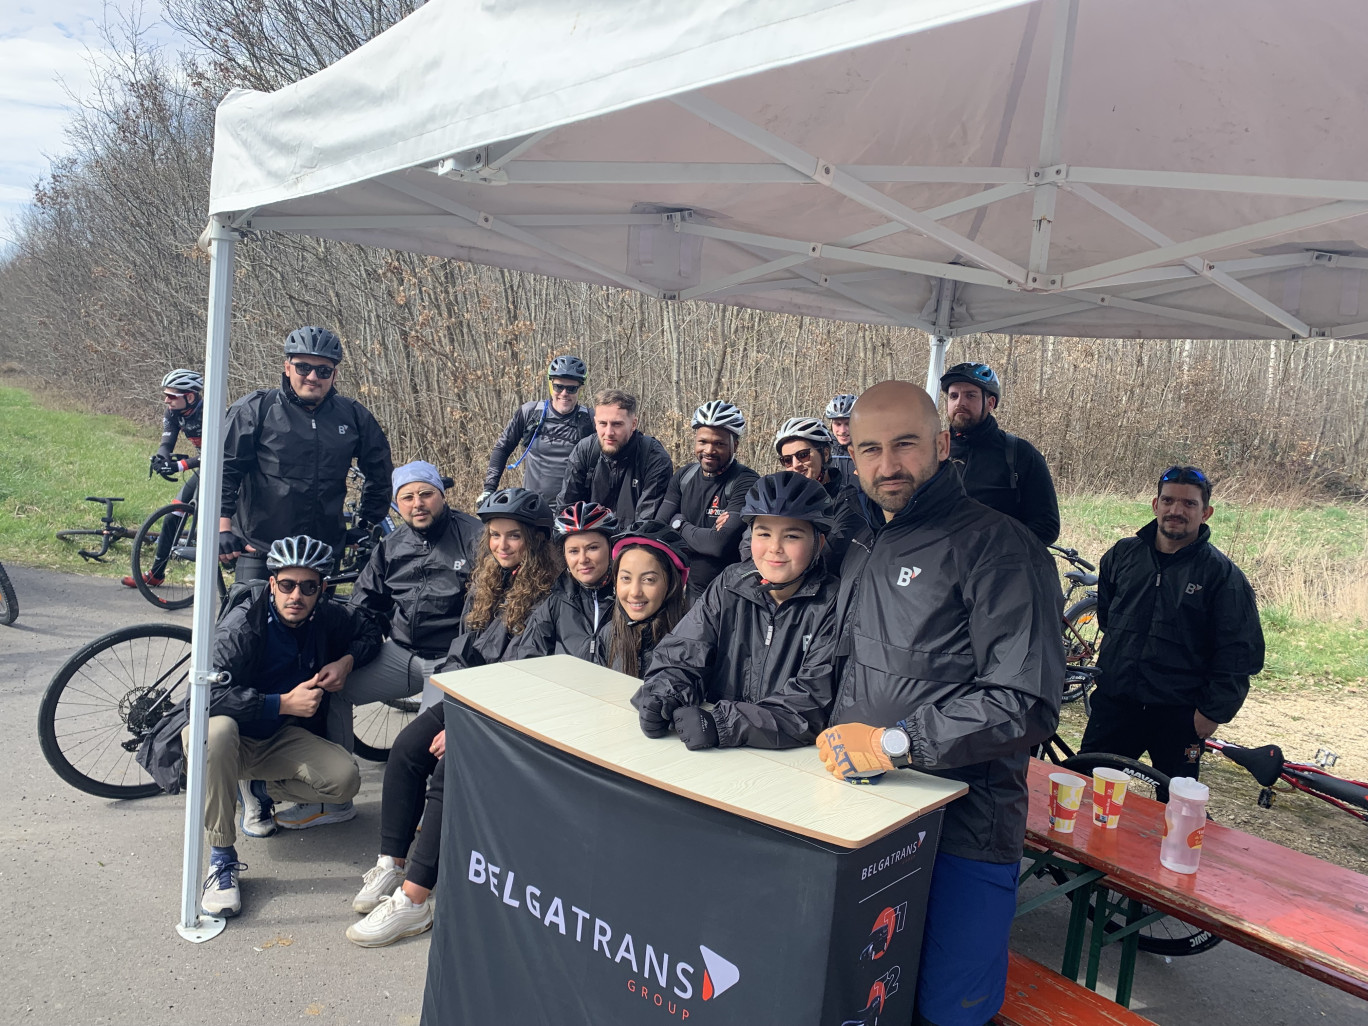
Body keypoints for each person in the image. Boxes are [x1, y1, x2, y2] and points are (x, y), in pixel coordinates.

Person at [810, 381, 1064, 1026]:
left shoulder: (1000, 546)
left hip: (965, 832)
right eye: (870, 448)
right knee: (865, 995)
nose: (887, 465)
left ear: (943, 444)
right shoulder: (867, 540)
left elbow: (1024, 702)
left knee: (950, 1009)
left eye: (905, 445)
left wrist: (897, 744)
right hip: (866, 818)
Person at [345, 486, 559, 947]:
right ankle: (391, 863)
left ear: (536, 541)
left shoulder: (549, 594)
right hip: (473, 699)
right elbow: (464, 650)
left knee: (447, 768)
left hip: (512, 712)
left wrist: (465, 724)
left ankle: (414, 900)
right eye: (495, 536)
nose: (501, 545)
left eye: (514, 537)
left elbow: (526, 673)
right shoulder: (488, 580)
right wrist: (455, 703)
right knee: (406, 748)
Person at [136, 535, 381, 919]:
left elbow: (370, 632)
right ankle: (222, 859)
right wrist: (280, 703)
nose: (295, 595)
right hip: (228, 732)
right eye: (286, 585)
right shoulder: (242, 625)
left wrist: (347, 661)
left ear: (322, 590)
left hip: (278, 737)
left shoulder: (326, 616)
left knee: (344, 780)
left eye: (308, 586)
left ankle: (256, 788)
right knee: (216, 734)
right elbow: (204, 696)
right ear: (272, 584)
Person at [1079, 465, 1264, 792]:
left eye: (1189, 504)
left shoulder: (1222, 576)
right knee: (1090, 793)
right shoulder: (1122, 555)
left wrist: (1211, 712)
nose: (1176, 511)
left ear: (1206, 512)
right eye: (1168, 501)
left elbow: (1240, 653)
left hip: (1180, 715)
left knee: (1176, 806)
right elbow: (1108, 618)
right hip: (1116, 704)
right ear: (1155, 505)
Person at [632, 472, 840, 750]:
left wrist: (723, 723)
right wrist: (663, 693)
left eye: (792, 536)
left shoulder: (833, 604)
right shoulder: (730, 585)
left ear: (819, 543)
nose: (774, 549)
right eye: (763, 533)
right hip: (722, 758)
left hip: (790, 764)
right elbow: (683, 651)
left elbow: (811, 703)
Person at [327, 461, 483, 752]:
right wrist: (347, 658)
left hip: (452, 659)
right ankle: (333, 795)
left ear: (441, 495)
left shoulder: (475, 537)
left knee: (419, 744)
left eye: (426, 494)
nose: (418, 504)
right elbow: (363, 609)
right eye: (407, 498)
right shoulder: (391, 546)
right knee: (333, 692)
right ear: (397, 504)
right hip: (401, 654)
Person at [218, 325, 393, 583]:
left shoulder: (353, 415)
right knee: (246, 621)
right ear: (287, 367)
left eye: (323, 370)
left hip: (322, 550)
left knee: (317, 624)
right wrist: (222, 528)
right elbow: (225, 470)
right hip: (260, 547)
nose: (312, 376)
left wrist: (365, 524)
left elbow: (380, 471)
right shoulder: (257, 408)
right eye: (303, 367)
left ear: (334, 375)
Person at [940, 362, 1060, 546]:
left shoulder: (1020, 454)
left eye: (970, 396)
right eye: (953, 396)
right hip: (938, 565)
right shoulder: (934, 451)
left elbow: (1046, 527)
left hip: (995, 567)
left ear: (990, 403)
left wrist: (994, 548)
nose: (959, 403)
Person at [657, 400, 758, 599]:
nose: (709, 450)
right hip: (683, 590)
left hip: (729, 593)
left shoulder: (746, 481)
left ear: (735, 445)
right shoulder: (684, 476)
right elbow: (659, 527)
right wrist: (698, 535)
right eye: (703, 441)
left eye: (719, 443)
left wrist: (678, 524)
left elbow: (718, 544)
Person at [123, 369, 206, 589]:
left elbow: (219, 452)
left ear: (189, 396)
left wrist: (180, 465)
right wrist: (161, 460)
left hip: (227, 468)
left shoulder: (210, 412)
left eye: (172, 396)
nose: (166, 400)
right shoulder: (173, 412)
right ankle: (156, 574)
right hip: (204, 468)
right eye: (166, 395)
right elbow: (167, 443)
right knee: (172, 516)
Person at [480, 355, 595, 509]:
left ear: (580, 390)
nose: (564, 393)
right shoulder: (531, 412)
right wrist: (489, 488)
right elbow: (502, 448)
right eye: (559, 387)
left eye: (571, 388)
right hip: (533, 506)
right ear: (551, 386)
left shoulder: (591, 419)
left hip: (573, 510)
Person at [513, 501, 619, 662]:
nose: (583, 559)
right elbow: (529, 660)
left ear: (611, 549)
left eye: (593, 548)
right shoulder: (554, 603)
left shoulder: (628, 600)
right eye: (573, 551)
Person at [554, 389, 673, 524]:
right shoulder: (585, 450)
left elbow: (647, 524)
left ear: (633, 424)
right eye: (603, 423)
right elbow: (566, 511)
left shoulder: (654, 457)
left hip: (634, 542)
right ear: (595, 423)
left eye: (617, 424)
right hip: (591, 540)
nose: (609, 432)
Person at [759, 416, 864, 568]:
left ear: (826, 454)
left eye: (803, 455)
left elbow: (828, 555)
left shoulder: (848, 500)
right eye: (787, 460)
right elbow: (749, 546)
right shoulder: (779, 499)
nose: (795, 465)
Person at [604, 520, 690, 678]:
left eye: (648, 579)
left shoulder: (693, 643)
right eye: (626, 578)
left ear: (671, 584)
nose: (635, 592)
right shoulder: (608, 634)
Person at [825, 393, 857, 462]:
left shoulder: (870, 450)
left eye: (848, 424)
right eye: (838, 424)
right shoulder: (825, 450)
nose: (842, 430)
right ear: (831, 425)